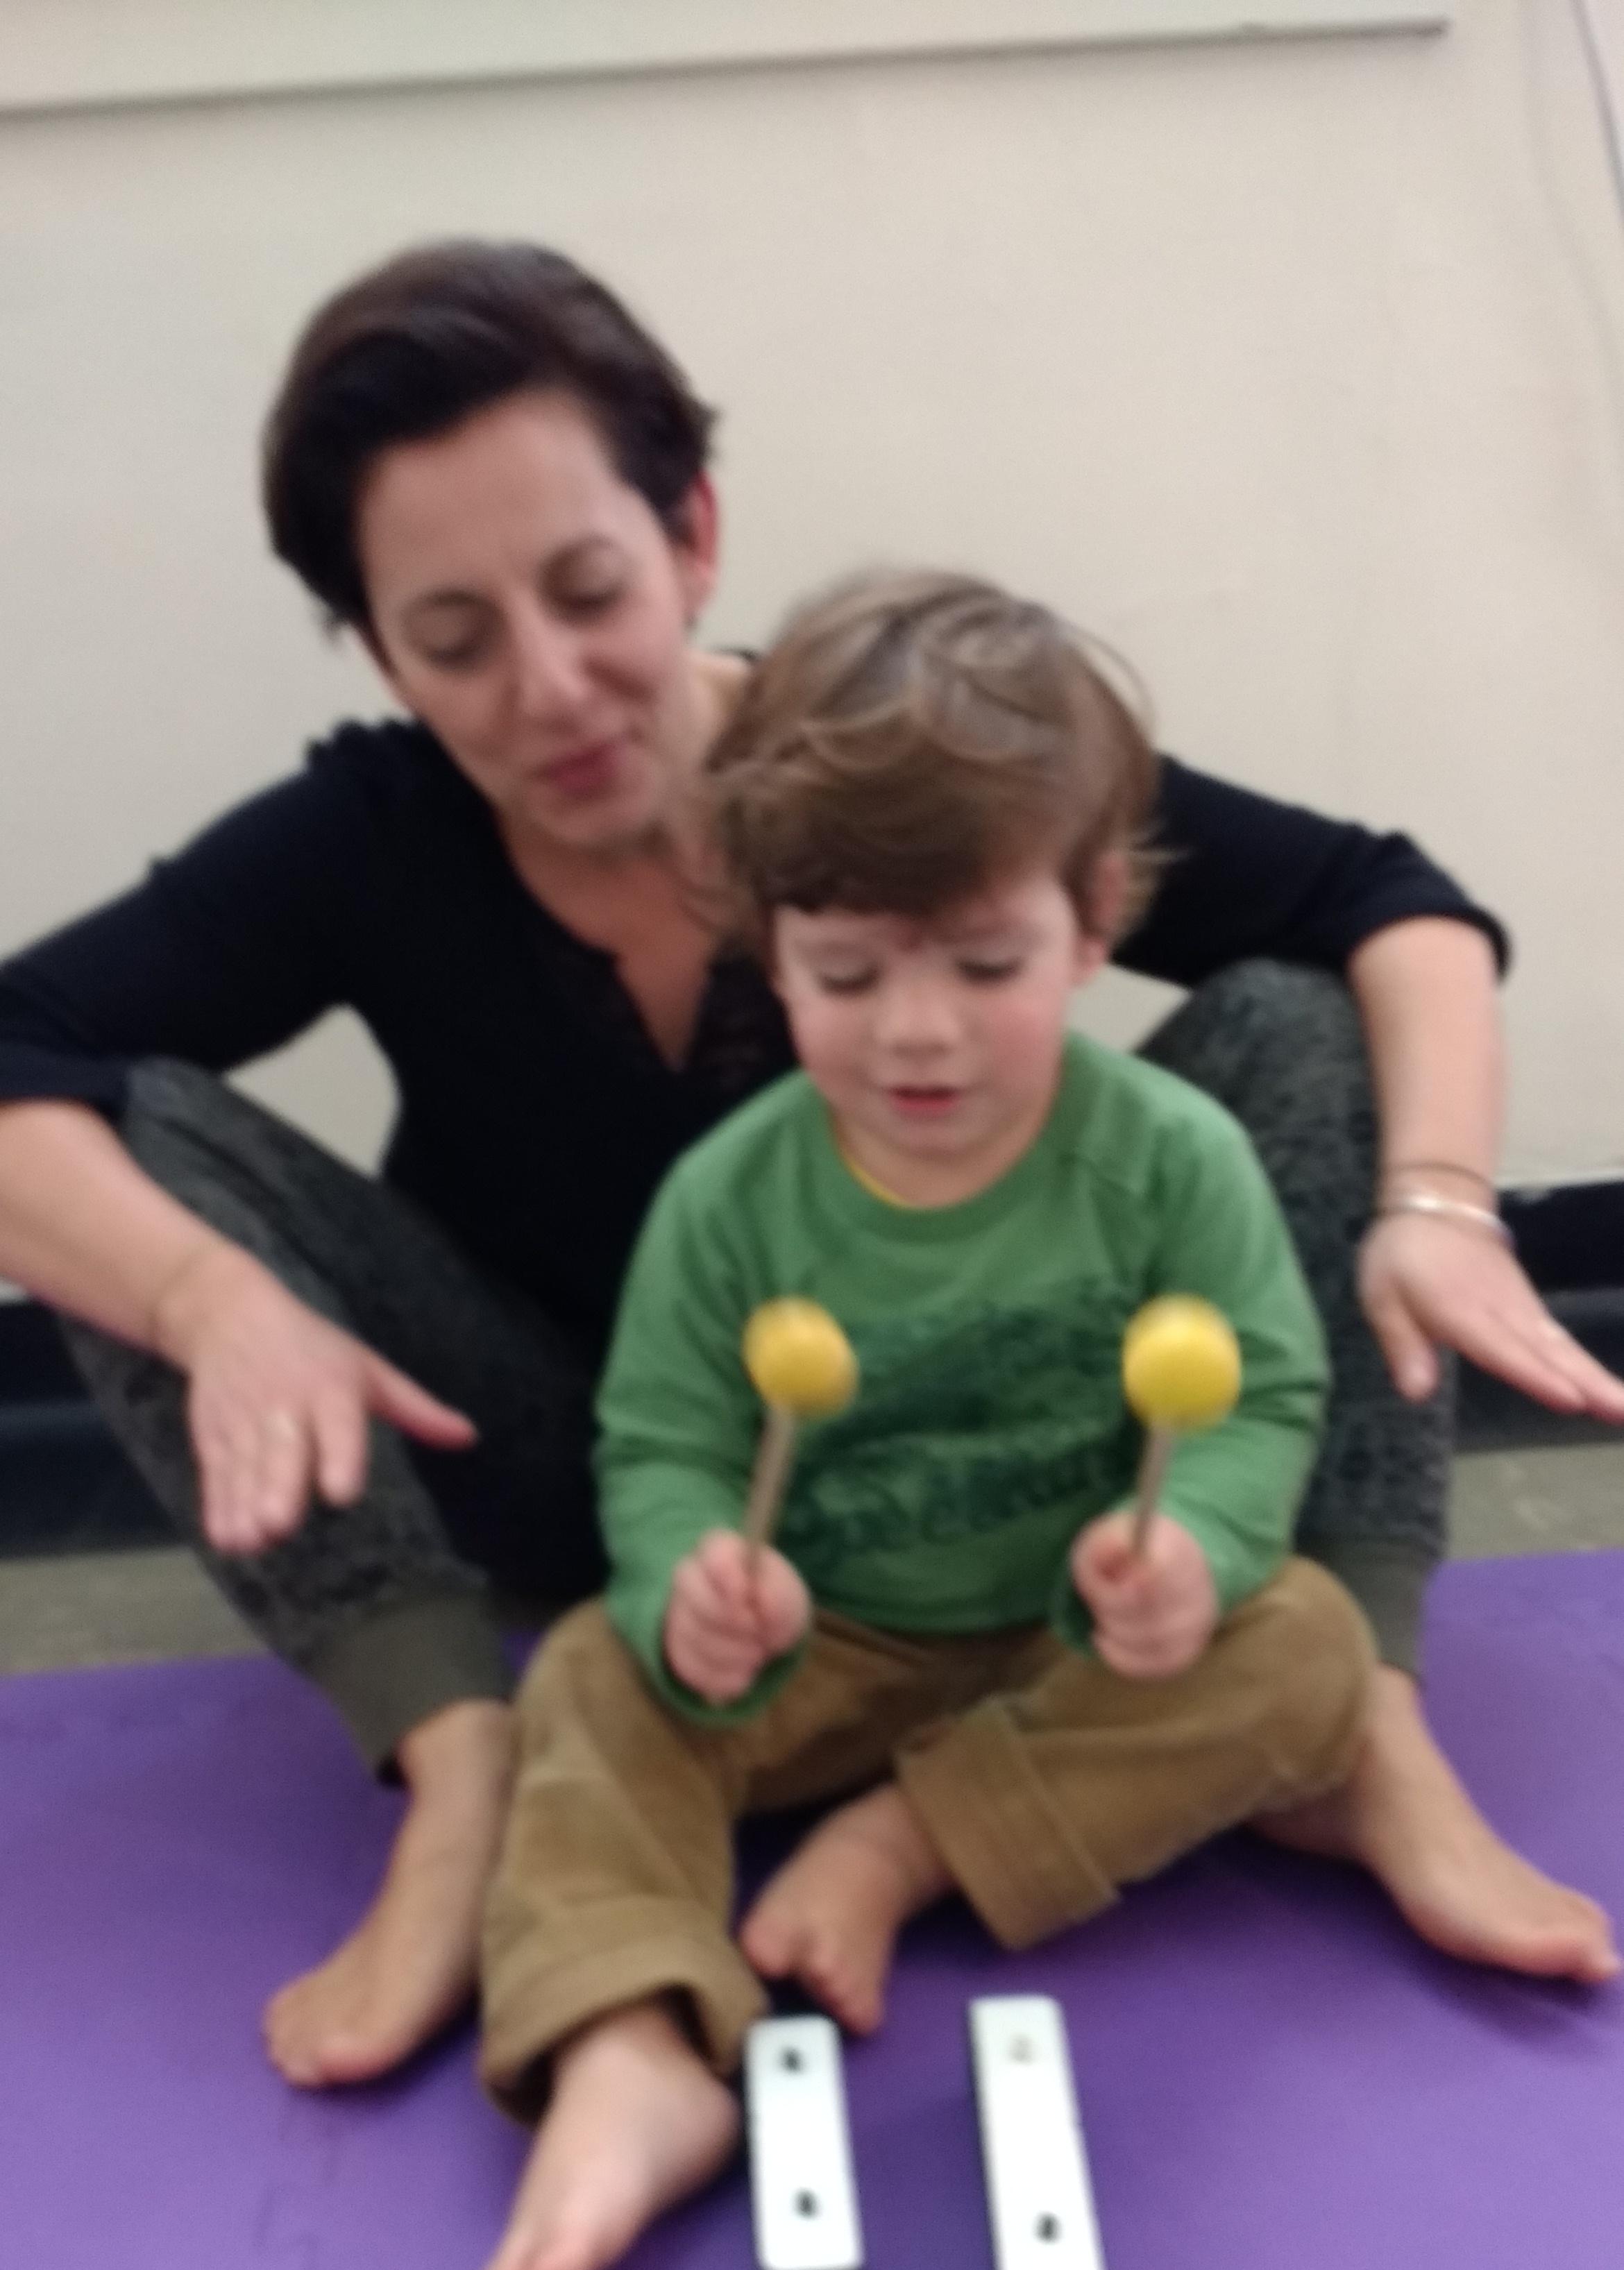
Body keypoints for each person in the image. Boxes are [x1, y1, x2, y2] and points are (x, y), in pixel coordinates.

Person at [0, 243, 1612, 2100]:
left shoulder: (898, 762)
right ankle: (464, 1769)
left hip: (1028, 1476)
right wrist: (215, 1302)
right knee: (127, 1165)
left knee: (1301, 1010)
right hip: (618, 1489)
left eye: (588, 590)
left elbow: (1386, 906)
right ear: (379, 649)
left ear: (690, 531)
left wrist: (1438, 1202)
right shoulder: (369, 835)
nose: (550, 689)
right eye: (453, 640)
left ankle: (1362, 1723)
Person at [473, 568, 1380, 2270]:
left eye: (985, 963)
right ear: (769, 946)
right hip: (829, 1648)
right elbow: (661, 1441)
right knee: (588, 1678)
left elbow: (1264, 1398)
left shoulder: (1172, 1160)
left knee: (1314, 1651)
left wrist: (1190, 1546)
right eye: (845, 971)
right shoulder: (735, 1198)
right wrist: (693, 1583)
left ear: (1093, 917)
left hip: (1076, 1647)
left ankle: (910, 1848)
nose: (916, 1031)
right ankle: (630, 2047)